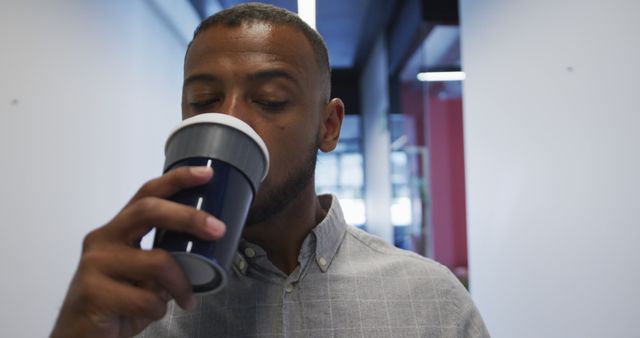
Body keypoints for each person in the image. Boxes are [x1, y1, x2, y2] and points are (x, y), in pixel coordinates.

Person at [50, 3, 489, 337]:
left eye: (271, 99)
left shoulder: (429, 298)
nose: (233, 120)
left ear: (329, 126)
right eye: (204, 101)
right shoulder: (137, 305)